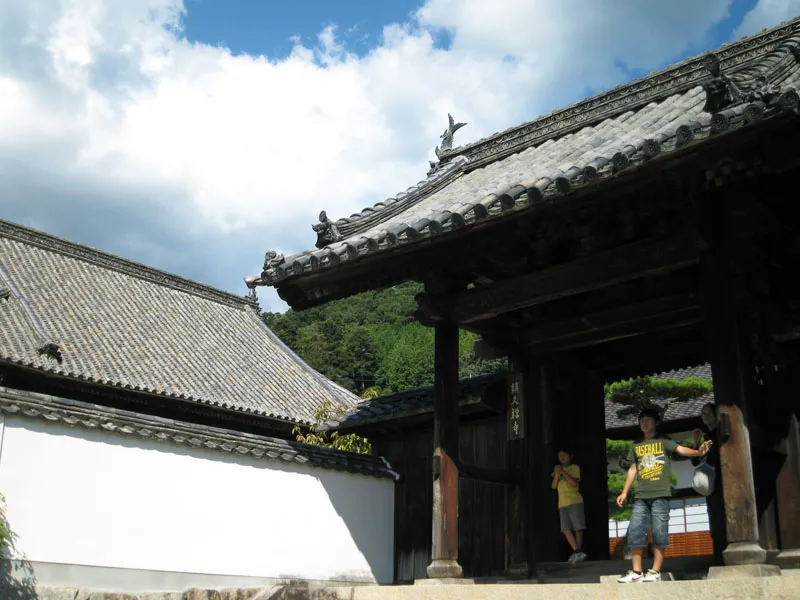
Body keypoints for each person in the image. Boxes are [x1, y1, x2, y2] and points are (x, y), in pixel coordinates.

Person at [616, 407, 712, 583]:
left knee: (659, 532)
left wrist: (698, 452)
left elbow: (681, 450)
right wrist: (624, 491)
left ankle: (655, 571)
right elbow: (633, 468)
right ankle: (636, 572)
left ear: (656, 423)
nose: (644, 423)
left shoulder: (663, 441)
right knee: (636, 531)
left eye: (648, 420)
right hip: (641, 496)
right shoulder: (636, 445)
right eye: (642, 420)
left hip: (660, 494)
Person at [692, 402, 726, 563]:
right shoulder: (706, 438)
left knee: (723, 517)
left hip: (723, 481)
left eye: (708, 413)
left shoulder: (721, 433)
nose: (705, 416)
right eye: (703, 414)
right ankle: (718, 556)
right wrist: (696, 443)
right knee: (715, 518)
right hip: (711, 484)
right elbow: (695, 462)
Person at [552, 447, 587, 564]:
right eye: (560, 455)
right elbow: (553, 486)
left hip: (574, 501)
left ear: (570, 456)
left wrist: (562, 472)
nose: (562, 457)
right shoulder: (557, 470)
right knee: (565, 529)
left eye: (564, 455)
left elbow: (574, 483)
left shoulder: (574, 468)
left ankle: (578, 552)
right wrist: (557, 474)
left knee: (578, 528)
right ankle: (577, 551)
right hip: (562, 503)